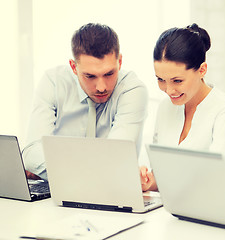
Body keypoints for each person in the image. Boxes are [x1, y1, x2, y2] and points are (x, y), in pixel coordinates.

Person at [23, 23, 148, 180]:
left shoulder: (132, 89)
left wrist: (51, 167)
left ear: (120, 62)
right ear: (74, 67)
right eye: (90, 76)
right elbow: (31, 152)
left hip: (112, 193)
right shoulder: (53, 83)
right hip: (59, 193)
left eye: (109, 73)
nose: (101, 87)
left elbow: (117, 157)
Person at [141, 23, 225, 191]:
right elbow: (161, 177)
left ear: (202, 70)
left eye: (177, 80)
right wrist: (148, 182)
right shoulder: (165, 107)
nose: (169, 90)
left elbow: (216, 180)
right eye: (160, 79)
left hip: (209, 208)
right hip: (172, 207)